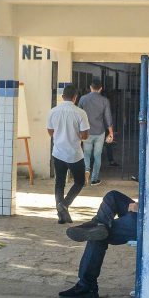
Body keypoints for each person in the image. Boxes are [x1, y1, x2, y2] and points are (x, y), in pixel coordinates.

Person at [58, 190, 137, 298]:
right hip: (144, 212)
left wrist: (142, 208)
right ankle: (98, 224)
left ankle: (87, 286)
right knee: (112, 196)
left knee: (97, 235)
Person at [46, 84, 89, 224]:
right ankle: (64, 205)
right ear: (75, 98)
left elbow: (50, 132)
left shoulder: (53, 111)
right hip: (74, 154)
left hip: (58, 153)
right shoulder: (80, 113)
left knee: (59, 183)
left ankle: (61, 212)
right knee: (80, 181)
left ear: (62, 96)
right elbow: (85, 136)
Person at [78, 79, 114, 185]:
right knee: (97, 155)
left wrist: (78, 131)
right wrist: (111, 132)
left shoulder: (83, 99)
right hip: (100, 132)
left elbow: (78, 115)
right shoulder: (105, 100)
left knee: (86, 154)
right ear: (101, 88)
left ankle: (86, 172)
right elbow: (108, 118)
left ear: (90, 87)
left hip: (86, 132)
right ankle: (94, 179)